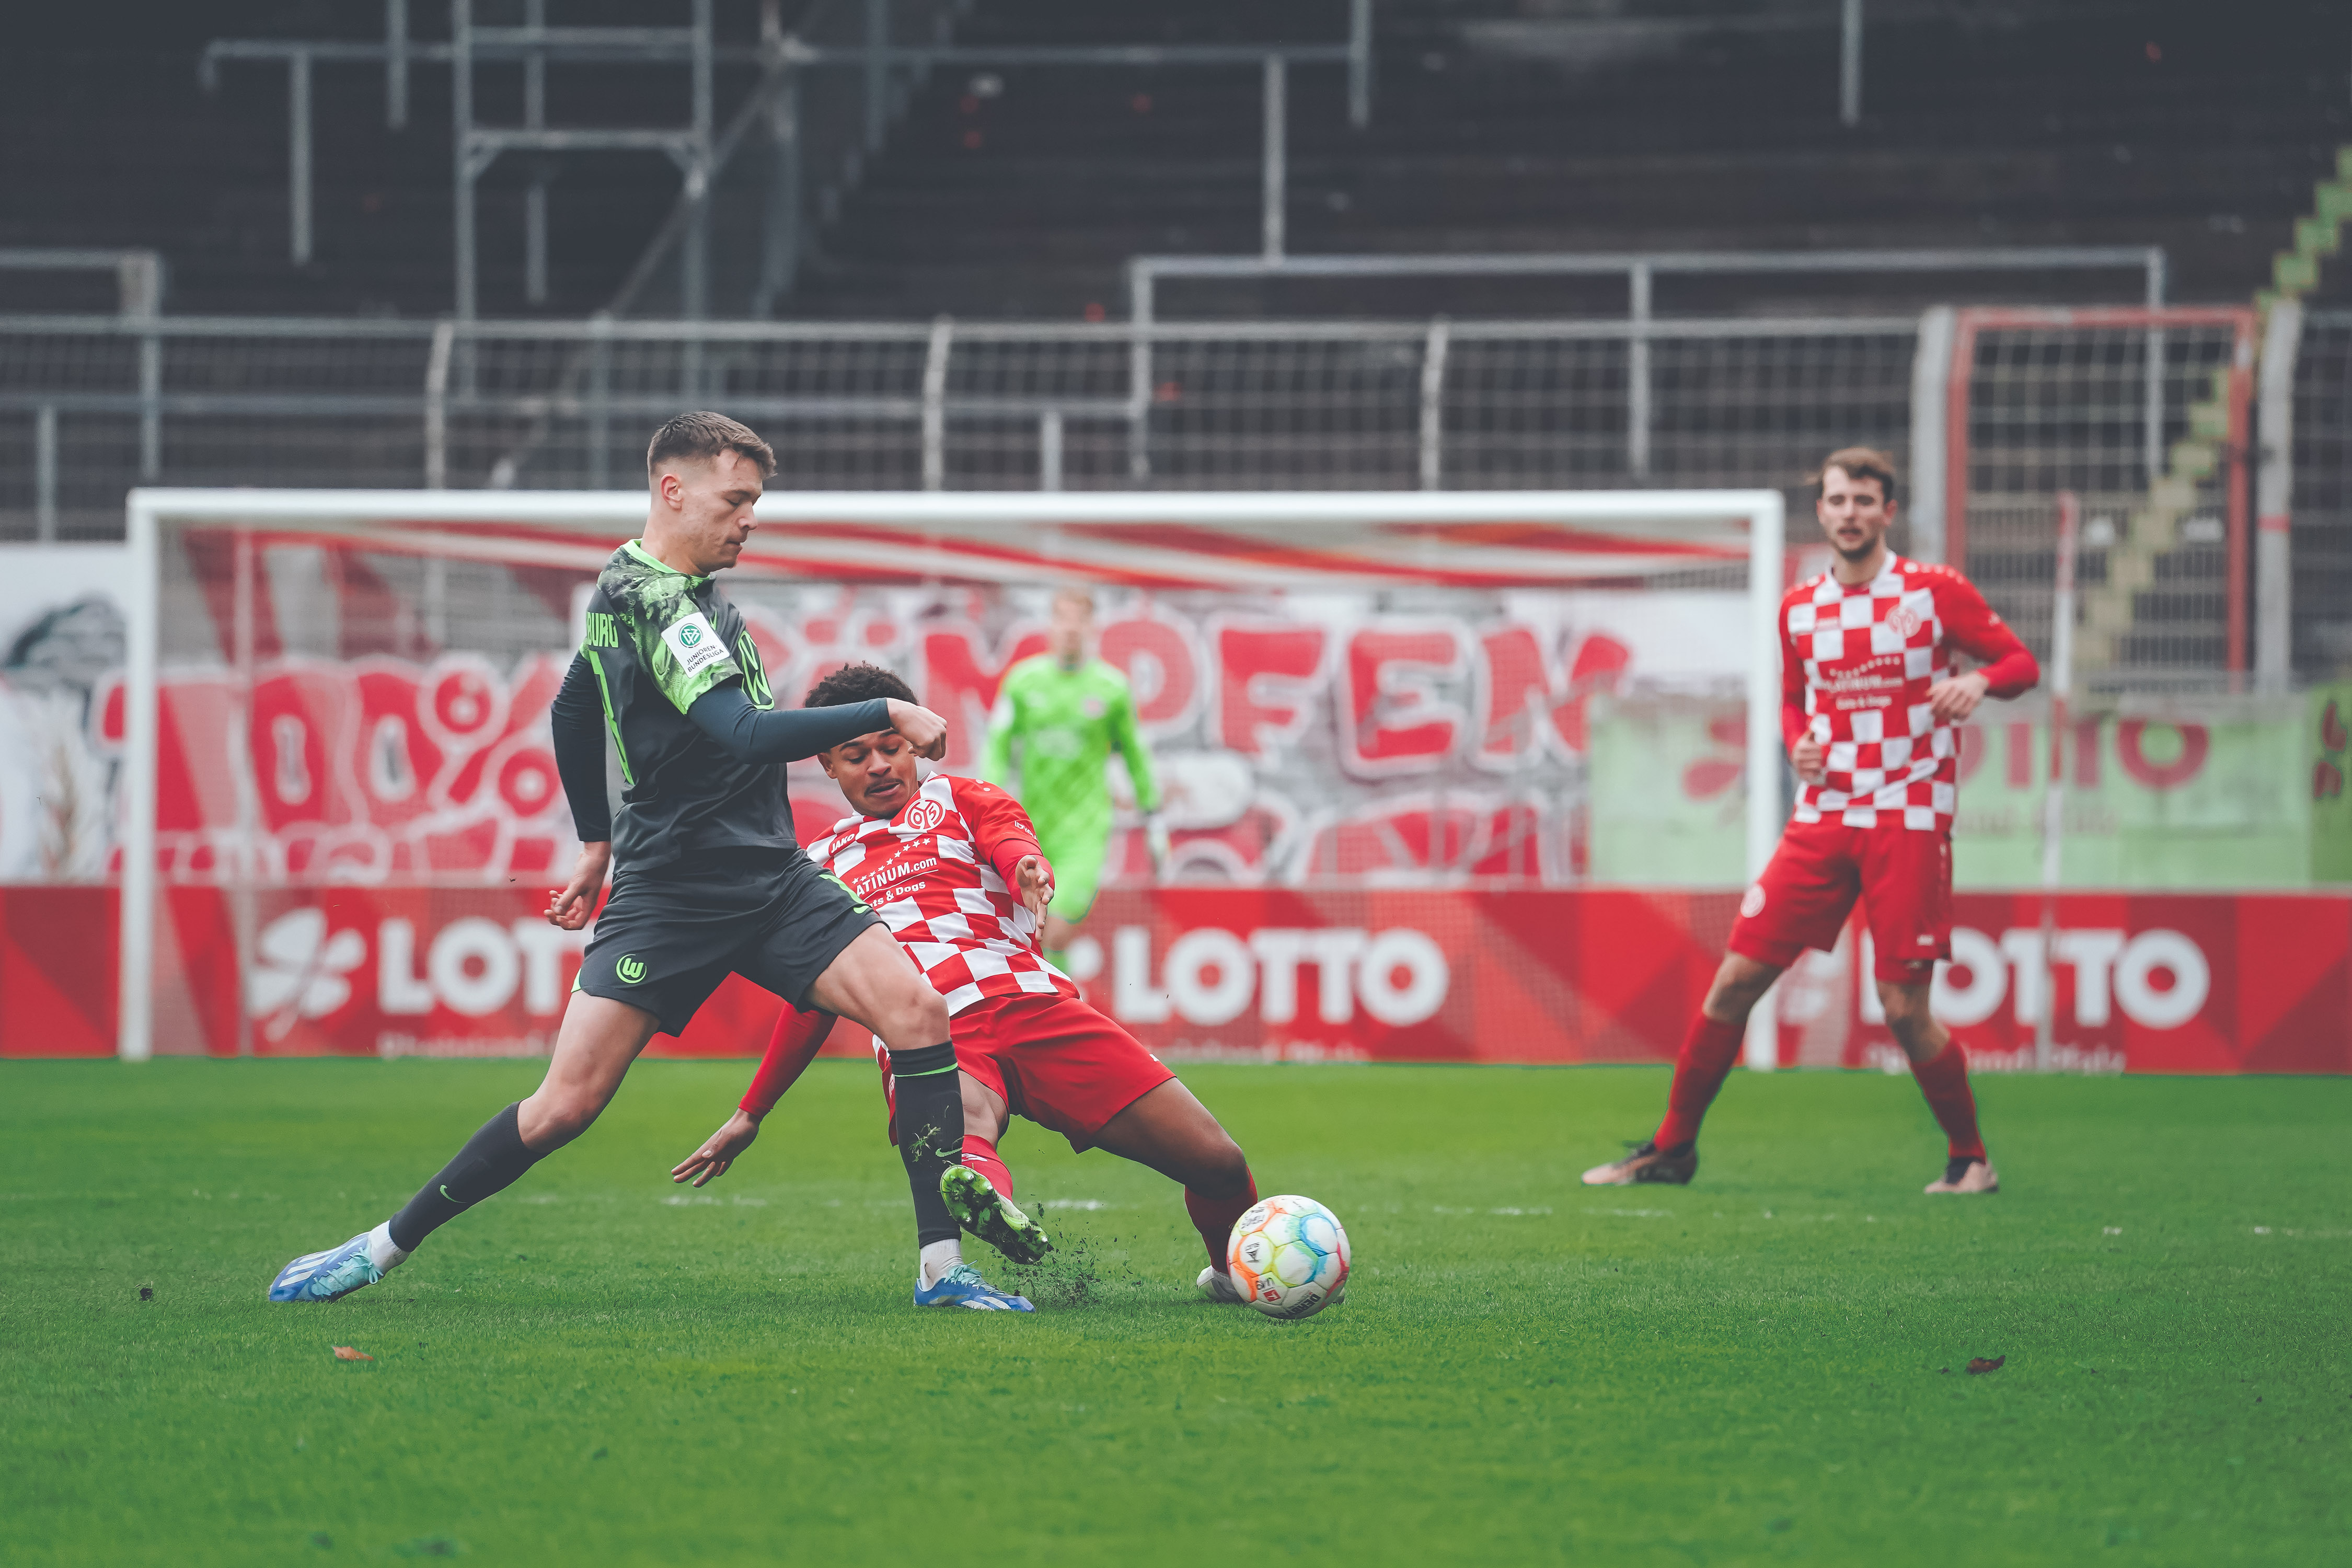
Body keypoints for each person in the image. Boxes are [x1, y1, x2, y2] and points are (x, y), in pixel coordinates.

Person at [267, 412, 1029, 1312]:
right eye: (736, 499)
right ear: (674, 490)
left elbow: (572, 709)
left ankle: (942, 1272)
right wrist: (889, 713)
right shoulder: (656, 601)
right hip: (674, 894)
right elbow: (743, 734)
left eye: (756, 502)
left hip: (774, 880)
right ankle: (379, 1248)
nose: (751, 519)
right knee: (565, 1106)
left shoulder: (654, 593)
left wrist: (595, 840)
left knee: (916, 1012)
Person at [670, 662, 1265, 1304]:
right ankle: (990, 1204)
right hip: (931, 1033)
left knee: (1219, 1163)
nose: (877, 765)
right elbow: (815, 999)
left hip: (1031, 1005)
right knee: (964, 1123)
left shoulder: (961, 797)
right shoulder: (816, 866)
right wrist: (751, 1110)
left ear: (914, 743)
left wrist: (1027, 870)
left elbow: (1010, 840)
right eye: (856, 754)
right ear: (828, 765)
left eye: (891, 748)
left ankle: (1232, 1275)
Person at [1583, 447, 2039, 1196]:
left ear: (1887, 512)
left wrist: (1979, 681)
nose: (1850, 513)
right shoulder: (1800, 608)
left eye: (1865, 500)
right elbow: (1795, 700)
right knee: (1734, 983)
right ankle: (1672, 1149)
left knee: (1900, 1008)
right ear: (1821, 512)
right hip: (1824, 818)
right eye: (1837, 500)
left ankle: (1970, 1159)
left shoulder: (1934, 592)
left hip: (1907, 817)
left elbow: (2022, 665)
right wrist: (1798, 741)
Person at [981, 587, 1166, 973]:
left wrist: (1154, 817)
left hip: (1085, 833)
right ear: (1051, 625)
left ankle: (1057, 1010)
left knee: (1056, 928)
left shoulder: (1112, 689)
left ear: (1092, 627)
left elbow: (1136, 756)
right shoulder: (1022, 682)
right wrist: (987, 802)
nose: (1070, 628)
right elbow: (997, 747)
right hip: (1031, 828)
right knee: (1032, 933)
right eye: (1062, 618)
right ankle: (1063, 1007)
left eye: (1079, 620)